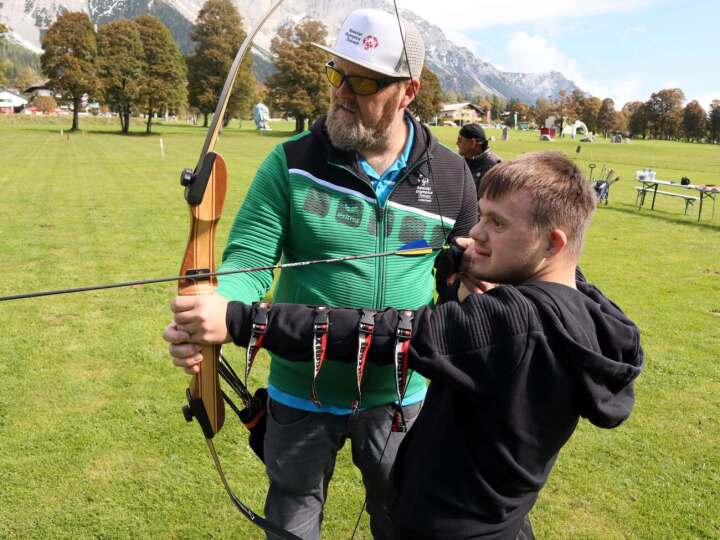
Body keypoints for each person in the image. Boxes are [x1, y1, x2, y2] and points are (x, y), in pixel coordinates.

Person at [166, 151, 644, 540]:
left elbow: (376, 332)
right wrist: (471, 260)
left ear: (552, 243)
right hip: (502, 522)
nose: (475, 231)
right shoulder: (587, 311)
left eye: (496, 223)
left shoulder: (510, 321)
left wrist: (238, 319)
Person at [165, 8, 477, 540]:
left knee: (402, 516)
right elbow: (248, 262)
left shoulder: (451, 176)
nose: (341, 91)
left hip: (402, 394)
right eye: (336, 72)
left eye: (363, 81)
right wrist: (213, 312)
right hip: (299, 392)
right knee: (291, 520)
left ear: (408, 92)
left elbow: (464, 272)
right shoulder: (290, 163)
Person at [456, 122, 502, 192]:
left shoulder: (495, 167)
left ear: (472, 143)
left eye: (460, 140)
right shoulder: (463, 160)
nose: (456, 143)